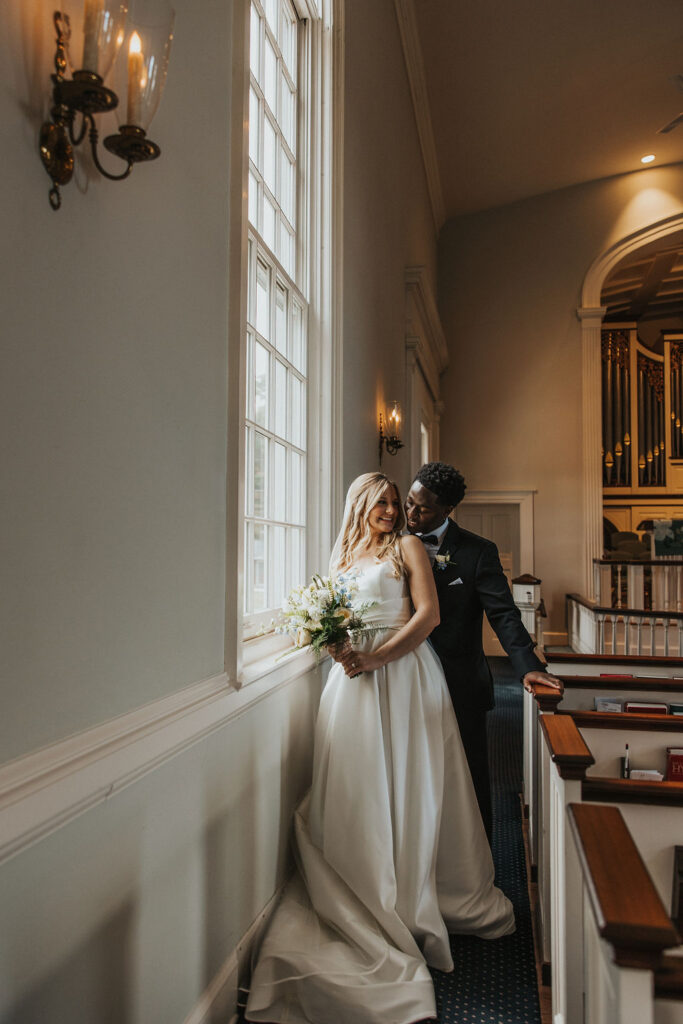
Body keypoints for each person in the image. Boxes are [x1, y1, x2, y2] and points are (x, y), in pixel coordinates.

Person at [246, 472, 515, 1024]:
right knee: (359, 782)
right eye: (383, 502)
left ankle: (413, 890)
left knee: (411, 781)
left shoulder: (408, 548)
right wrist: (338, 646)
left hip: (403, 676)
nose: (392, 511)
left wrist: (376, 658)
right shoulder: (342, 553)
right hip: (351, 686)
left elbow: (429, 616)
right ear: (360, 505)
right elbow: (331, 616)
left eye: (397, 502)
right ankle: (364, 879)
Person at [405, 461, 562, 844]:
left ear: (446, 510)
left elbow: (504, 614)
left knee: (470, 778)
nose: (410, 514)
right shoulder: (391, 543)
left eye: (421, 508)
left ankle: (479, 864)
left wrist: (527, 665)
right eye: (409, 502)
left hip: (460, 683)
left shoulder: (478, 552)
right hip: (404, 681)